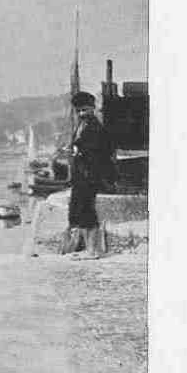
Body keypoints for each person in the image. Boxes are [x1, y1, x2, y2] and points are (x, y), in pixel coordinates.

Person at [68, 91, 116, 259]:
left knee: (88, 211)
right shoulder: (82, 125)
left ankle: (92, 250)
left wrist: (79, 152)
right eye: (79, 110)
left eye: (85, 110)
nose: (82, 113)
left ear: (93, 108)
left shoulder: (95, 127)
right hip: (80, 174)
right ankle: (88, 249)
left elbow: (100, 152)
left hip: (90, 174)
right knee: (80, 211)